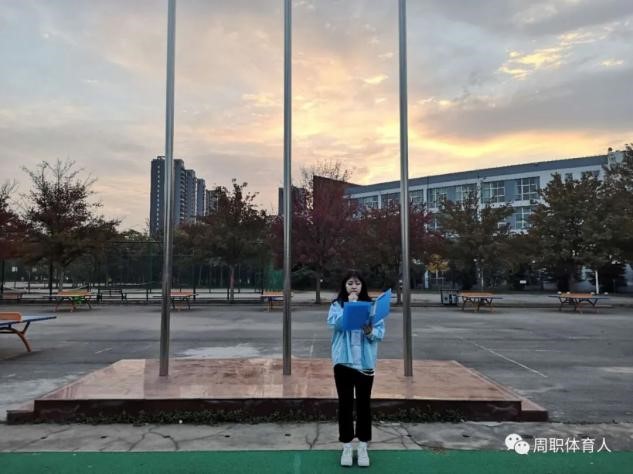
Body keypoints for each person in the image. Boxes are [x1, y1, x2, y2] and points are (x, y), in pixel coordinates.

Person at [327, 270, 385, 467]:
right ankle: (346, 446)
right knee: (344, 404)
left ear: (362, 286)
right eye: (350, 283)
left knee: (363, 405)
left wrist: (370, 331)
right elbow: (335, 325)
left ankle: (362, 446)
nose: (354, 286)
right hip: (343, 363)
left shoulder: (372, 306)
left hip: (365, 364)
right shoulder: (337, 305)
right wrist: (350, 307)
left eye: (357, 283)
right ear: (345, 286)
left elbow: (380, 333)